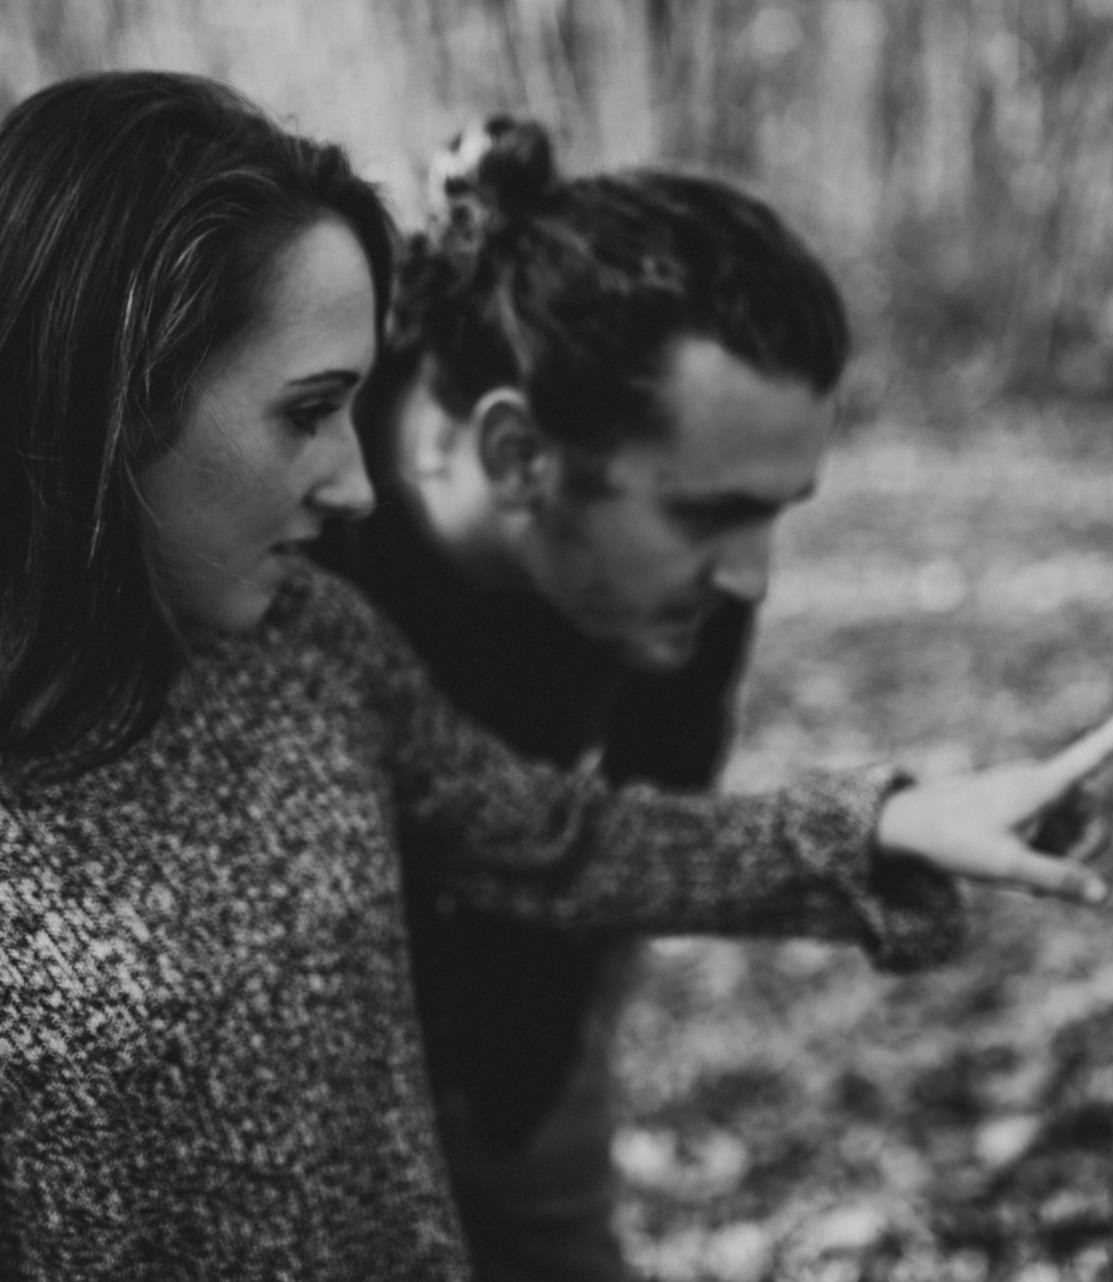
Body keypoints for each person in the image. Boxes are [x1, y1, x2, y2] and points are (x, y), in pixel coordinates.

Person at [0, 72, 1113, 1281]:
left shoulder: (301, 652)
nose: (357, 482)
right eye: (311, 410)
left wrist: (891, 822)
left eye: (359, 404)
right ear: (94, 403)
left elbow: (560, 835)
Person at [309, 116, 872, 1280]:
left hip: (533, 1040)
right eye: (711, 512)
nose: (753, 575)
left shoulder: (689, 583)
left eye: (779, 509)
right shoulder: (293, 508)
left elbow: (653, 809)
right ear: (518, 456)